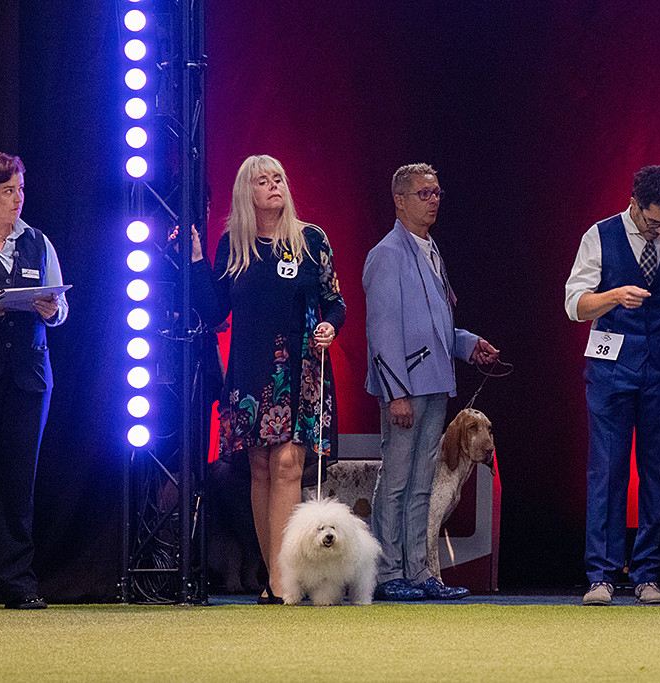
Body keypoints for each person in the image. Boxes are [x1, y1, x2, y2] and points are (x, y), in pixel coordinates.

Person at [189, 154, 345, 603]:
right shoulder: (233, 246)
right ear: (247, 193)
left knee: (287, 465)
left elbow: (335, 301)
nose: (274, 185)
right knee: (259, 466)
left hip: (299, 368)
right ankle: (274, 574)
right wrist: (199, 261)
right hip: (249, 371)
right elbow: (216, 311)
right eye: (263, 181)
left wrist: (330, 325)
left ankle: (282, 582)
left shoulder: (311, 240)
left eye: (279, 177)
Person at [565, 165, 660, 606]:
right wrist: (613, 296)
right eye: (651, 221)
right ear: (633, 202)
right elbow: (574, 304)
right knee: (607, 471)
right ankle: (602, 576)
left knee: (657, 471)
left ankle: (647, 573)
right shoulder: (600, 235)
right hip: (611, 369)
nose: (657, 230)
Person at [363, 163, 499, 601]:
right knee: (398, 481)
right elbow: (382, 329)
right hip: (406, 387)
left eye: (437, 192)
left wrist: (467, 343)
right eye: (424, 193)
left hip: (436, 382)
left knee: (423, 481)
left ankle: (419, 572)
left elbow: (434, 323)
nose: (434, 199)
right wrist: (396, 392)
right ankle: (387, 574)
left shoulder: (431, 250)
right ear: (400, 200)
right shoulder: (387, 253)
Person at [0, 152, 69, 610]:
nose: (18, 199)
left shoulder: (37, 242)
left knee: (18, 482)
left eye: (20, 189)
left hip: (29, 375)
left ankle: (18, 582)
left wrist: (51, 309)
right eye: (7, 191)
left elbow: (60, 307)